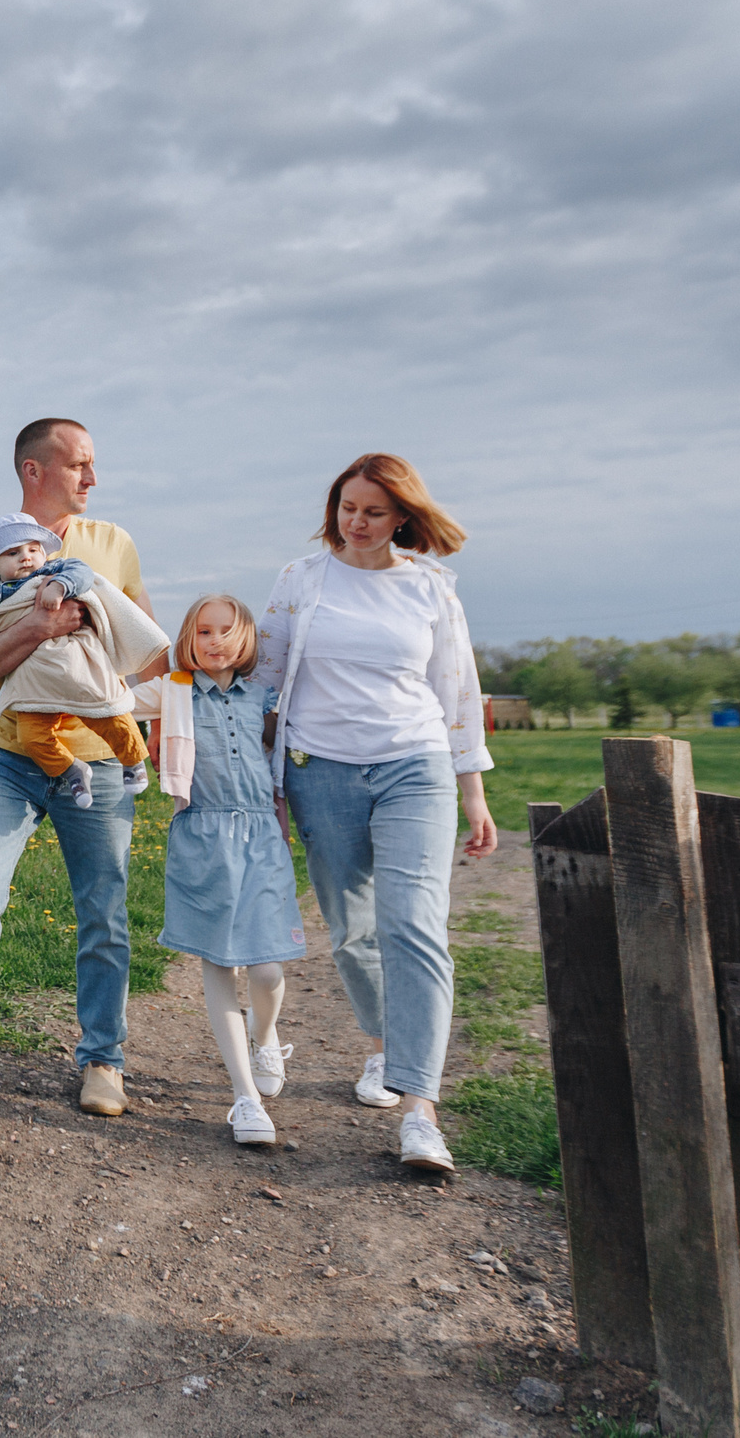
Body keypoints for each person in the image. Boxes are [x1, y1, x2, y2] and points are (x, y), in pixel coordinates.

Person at [252, 453, 496, 1175]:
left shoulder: (429, 587)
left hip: (414, 766)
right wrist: (255, 777)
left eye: (373, 511)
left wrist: (473, 788)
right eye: (347, 507)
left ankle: (420, 1108)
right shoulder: (302, 581)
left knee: (414, 924)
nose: (355, 522)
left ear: (402, 519)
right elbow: (263, 680)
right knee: (353, 931)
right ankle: (388, 1045)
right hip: (318, 772)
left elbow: (456, 687)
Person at [0, 419, 160, 1125]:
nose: (93, 477)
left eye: (94, 464)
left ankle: (102, 1060)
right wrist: (39, 630)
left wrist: (115, 708)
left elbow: (148, 651)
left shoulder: (113, 544)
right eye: (80, 464)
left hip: (96, 761)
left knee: (104, 912)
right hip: (4, 755)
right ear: (35, 469)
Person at [145, 592, 305, 1147]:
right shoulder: (171, 693)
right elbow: (109, 699)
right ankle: (246, 1098)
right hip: (202, 835)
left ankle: (265, 1037)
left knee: (266, 971)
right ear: (189, 639)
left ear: (246, 641)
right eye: (204, 632)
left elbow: (281, 751)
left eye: (227, 632)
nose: (215, 642)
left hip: (261, 836)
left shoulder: (264, 696)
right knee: (217, 963)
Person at [0, 512, 162, 810]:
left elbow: (82, 572)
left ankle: (132, 760)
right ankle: (71, 770)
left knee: (109, 712)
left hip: (74, 670)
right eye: (13, 553)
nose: (26, 558)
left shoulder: (53, 571)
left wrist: (59, 585)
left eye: (33, 550)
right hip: (32, 684)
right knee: (32, 737)